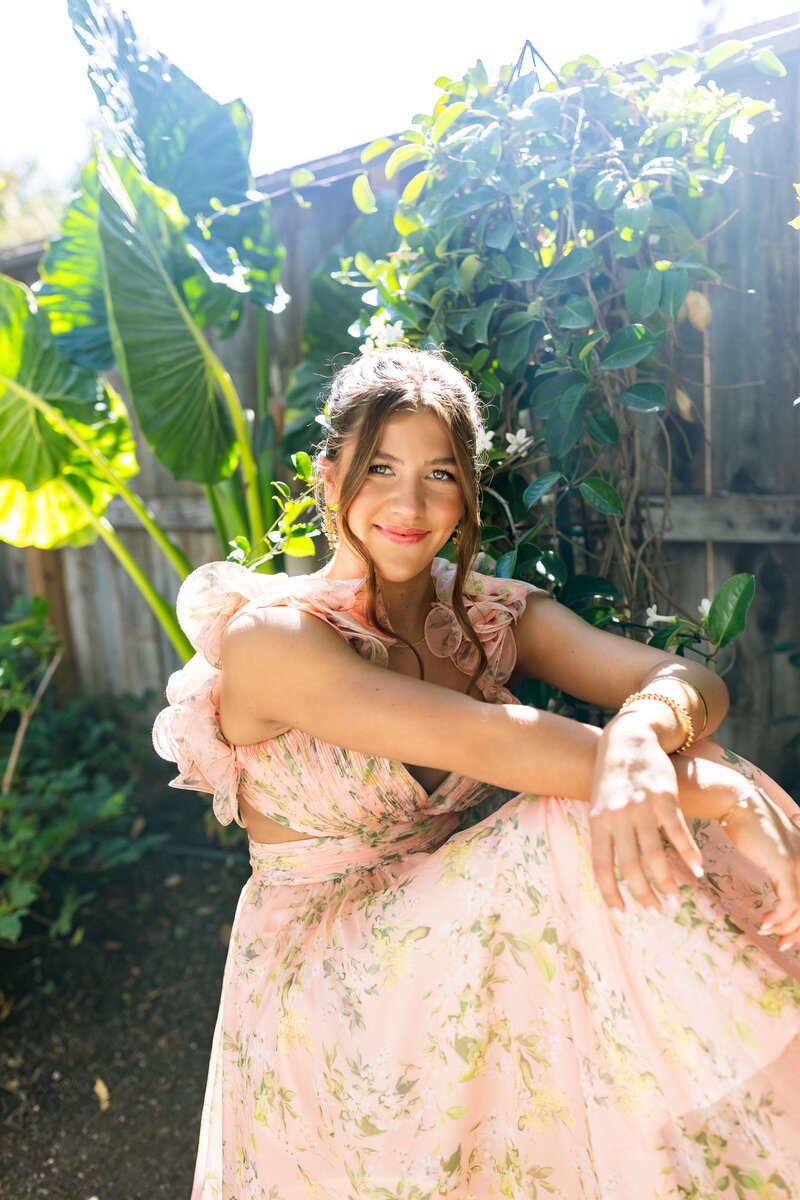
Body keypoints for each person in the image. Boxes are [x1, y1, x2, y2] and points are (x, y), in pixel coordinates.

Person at [154, 347, 800, 1200]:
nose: (408, 504)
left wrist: (646, 729)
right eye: (379, 468)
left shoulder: (490, 614)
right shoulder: (273, 639)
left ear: (469, 492)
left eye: (440, 475)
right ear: (328, 474)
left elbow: (688, 681)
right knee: (573, 815)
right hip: (325, 973)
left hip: (451, 936)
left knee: (674, 760)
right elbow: (499, 743)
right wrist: (720, 795)